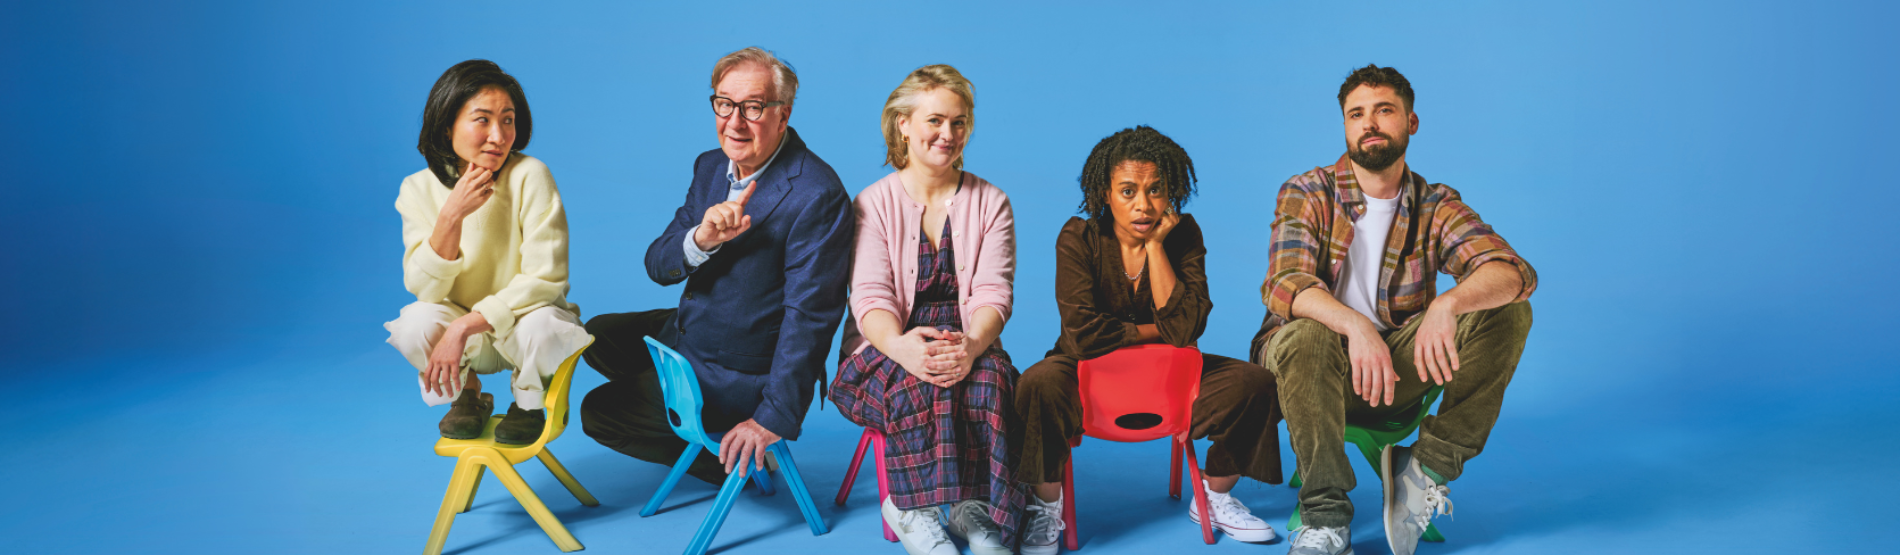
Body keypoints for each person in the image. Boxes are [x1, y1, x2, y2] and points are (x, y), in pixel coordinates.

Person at [1255, 65, 1536, 555]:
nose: (1370, 123)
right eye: (1356, 114)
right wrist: (1357, 326)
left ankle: (1423, 469)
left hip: (1393, 372)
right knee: (1308, 333)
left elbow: (1513, 273)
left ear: (1411, 122)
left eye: (1384, 111)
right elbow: (1285, 285)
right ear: (1344, 125)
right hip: (1310, 371)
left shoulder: (1435, 204)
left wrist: (1448, 303)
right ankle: (1324, 518)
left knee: (1508, 310)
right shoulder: (1308, 192)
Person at [578, 47, 854, 486]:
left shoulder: (818, 194)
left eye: (753, 107)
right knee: (593, 337)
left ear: (783, 115)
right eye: (724, 104)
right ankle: (680, 410)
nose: (735, 122)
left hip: (743, 369)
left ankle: (728, 466)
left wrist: (771, 417)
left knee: (599, 413)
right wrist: (701, 240)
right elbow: (657, 263)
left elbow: (812, 318)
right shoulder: (710, 166)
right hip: (695, 329)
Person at [1016, 126, 1284, 554]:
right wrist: (1159, 331)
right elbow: (1083, 335)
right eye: (1127, 191)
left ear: (1171, 191)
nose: (1143, 205)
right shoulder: (1078, 237)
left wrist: (1157, 247)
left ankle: (1214, 497)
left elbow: (1188, 329)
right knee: (1037, 385)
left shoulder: (1184, 235)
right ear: (1105, 194)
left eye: (1156, 190)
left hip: (1170, 380)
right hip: (1087, 375)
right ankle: (1047, 507)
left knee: (1255, 384)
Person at [829, 65, 1022, 555]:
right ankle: (909, 508)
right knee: (919, 384)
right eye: (935, 120)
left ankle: (971, 509)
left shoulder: (991, 202)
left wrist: (973, 345)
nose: (948, 134)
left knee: (990, 383)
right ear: (904, 125)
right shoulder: (873, 204)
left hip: (965, 338)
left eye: (959, 123)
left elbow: (993, 293)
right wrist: (901, 348)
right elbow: (869, 296)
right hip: (882, 345)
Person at [385, 59, 591, 445]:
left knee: (546, 324)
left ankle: (528, 403)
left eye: (508, 120)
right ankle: (467, 394)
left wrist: (463, 327)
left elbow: (546, 278)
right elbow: (424, 289)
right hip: (468, 342)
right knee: (414, 322)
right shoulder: (416, 189)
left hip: (524, 325)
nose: (498, 135)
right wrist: (451, 215)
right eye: (482, 120)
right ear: (447, 126)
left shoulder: (531, 175)